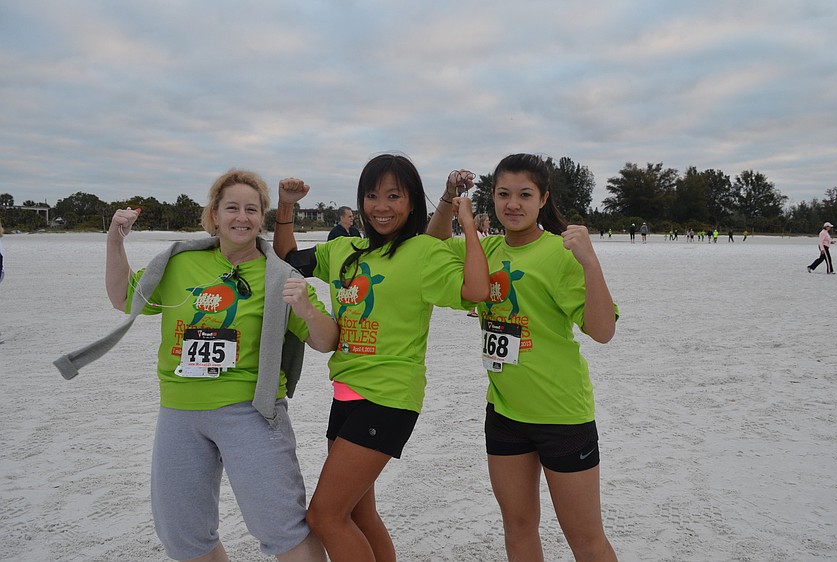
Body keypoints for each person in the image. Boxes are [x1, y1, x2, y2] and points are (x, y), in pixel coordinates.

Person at [55, 169, 337, 562]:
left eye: (252, 209)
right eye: (232, 208)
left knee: (281, 528)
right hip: (179, 412)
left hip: (250, 412)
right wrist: (114, 239)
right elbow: (123, 296)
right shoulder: (180, 263)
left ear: (262, 218)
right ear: (215, 215)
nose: (242, 217)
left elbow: (326, 341)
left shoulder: (280, 275)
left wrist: (306, 308)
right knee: (183, 534)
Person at [272, 153, 489, 561]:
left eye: (394, 195)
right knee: (358, 511)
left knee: (325, 515)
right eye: (372, 196)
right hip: (347, 393)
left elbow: (475, 291)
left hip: (389, 396)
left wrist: (469, 226)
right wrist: (286, 205)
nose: (381, 206)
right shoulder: (343, 249)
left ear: (411, 203)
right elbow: (286, 258)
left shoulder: (424, 252)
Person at [427, 153, 619, 562]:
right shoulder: (485, 248)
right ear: (492, 199)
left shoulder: (558, 252)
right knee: (517, 528)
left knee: (585, 540)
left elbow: (603, 331)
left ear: (542, 198)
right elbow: (433, 247)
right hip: (505, 413)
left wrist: (590, 262)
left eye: (524, 194)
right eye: (503, 194)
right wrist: (447, 197)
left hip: (562, 415)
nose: (513, 204)